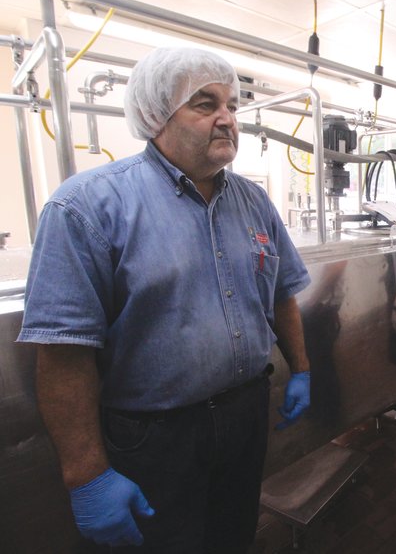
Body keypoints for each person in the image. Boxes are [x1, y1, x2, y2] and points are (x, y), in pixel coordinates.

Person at [17, 47, 312, 553]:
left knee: (232, 536)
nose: (228, 119)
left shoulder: (253, 201)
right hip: (156, 437)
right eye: (205, 104)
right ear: (156, 116)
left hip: (245, 415)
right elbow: (64, 352)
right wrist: (86, 473)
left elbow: (281, 290)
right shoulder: (86, 206)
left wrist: (301, 368)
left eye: (232, 105)